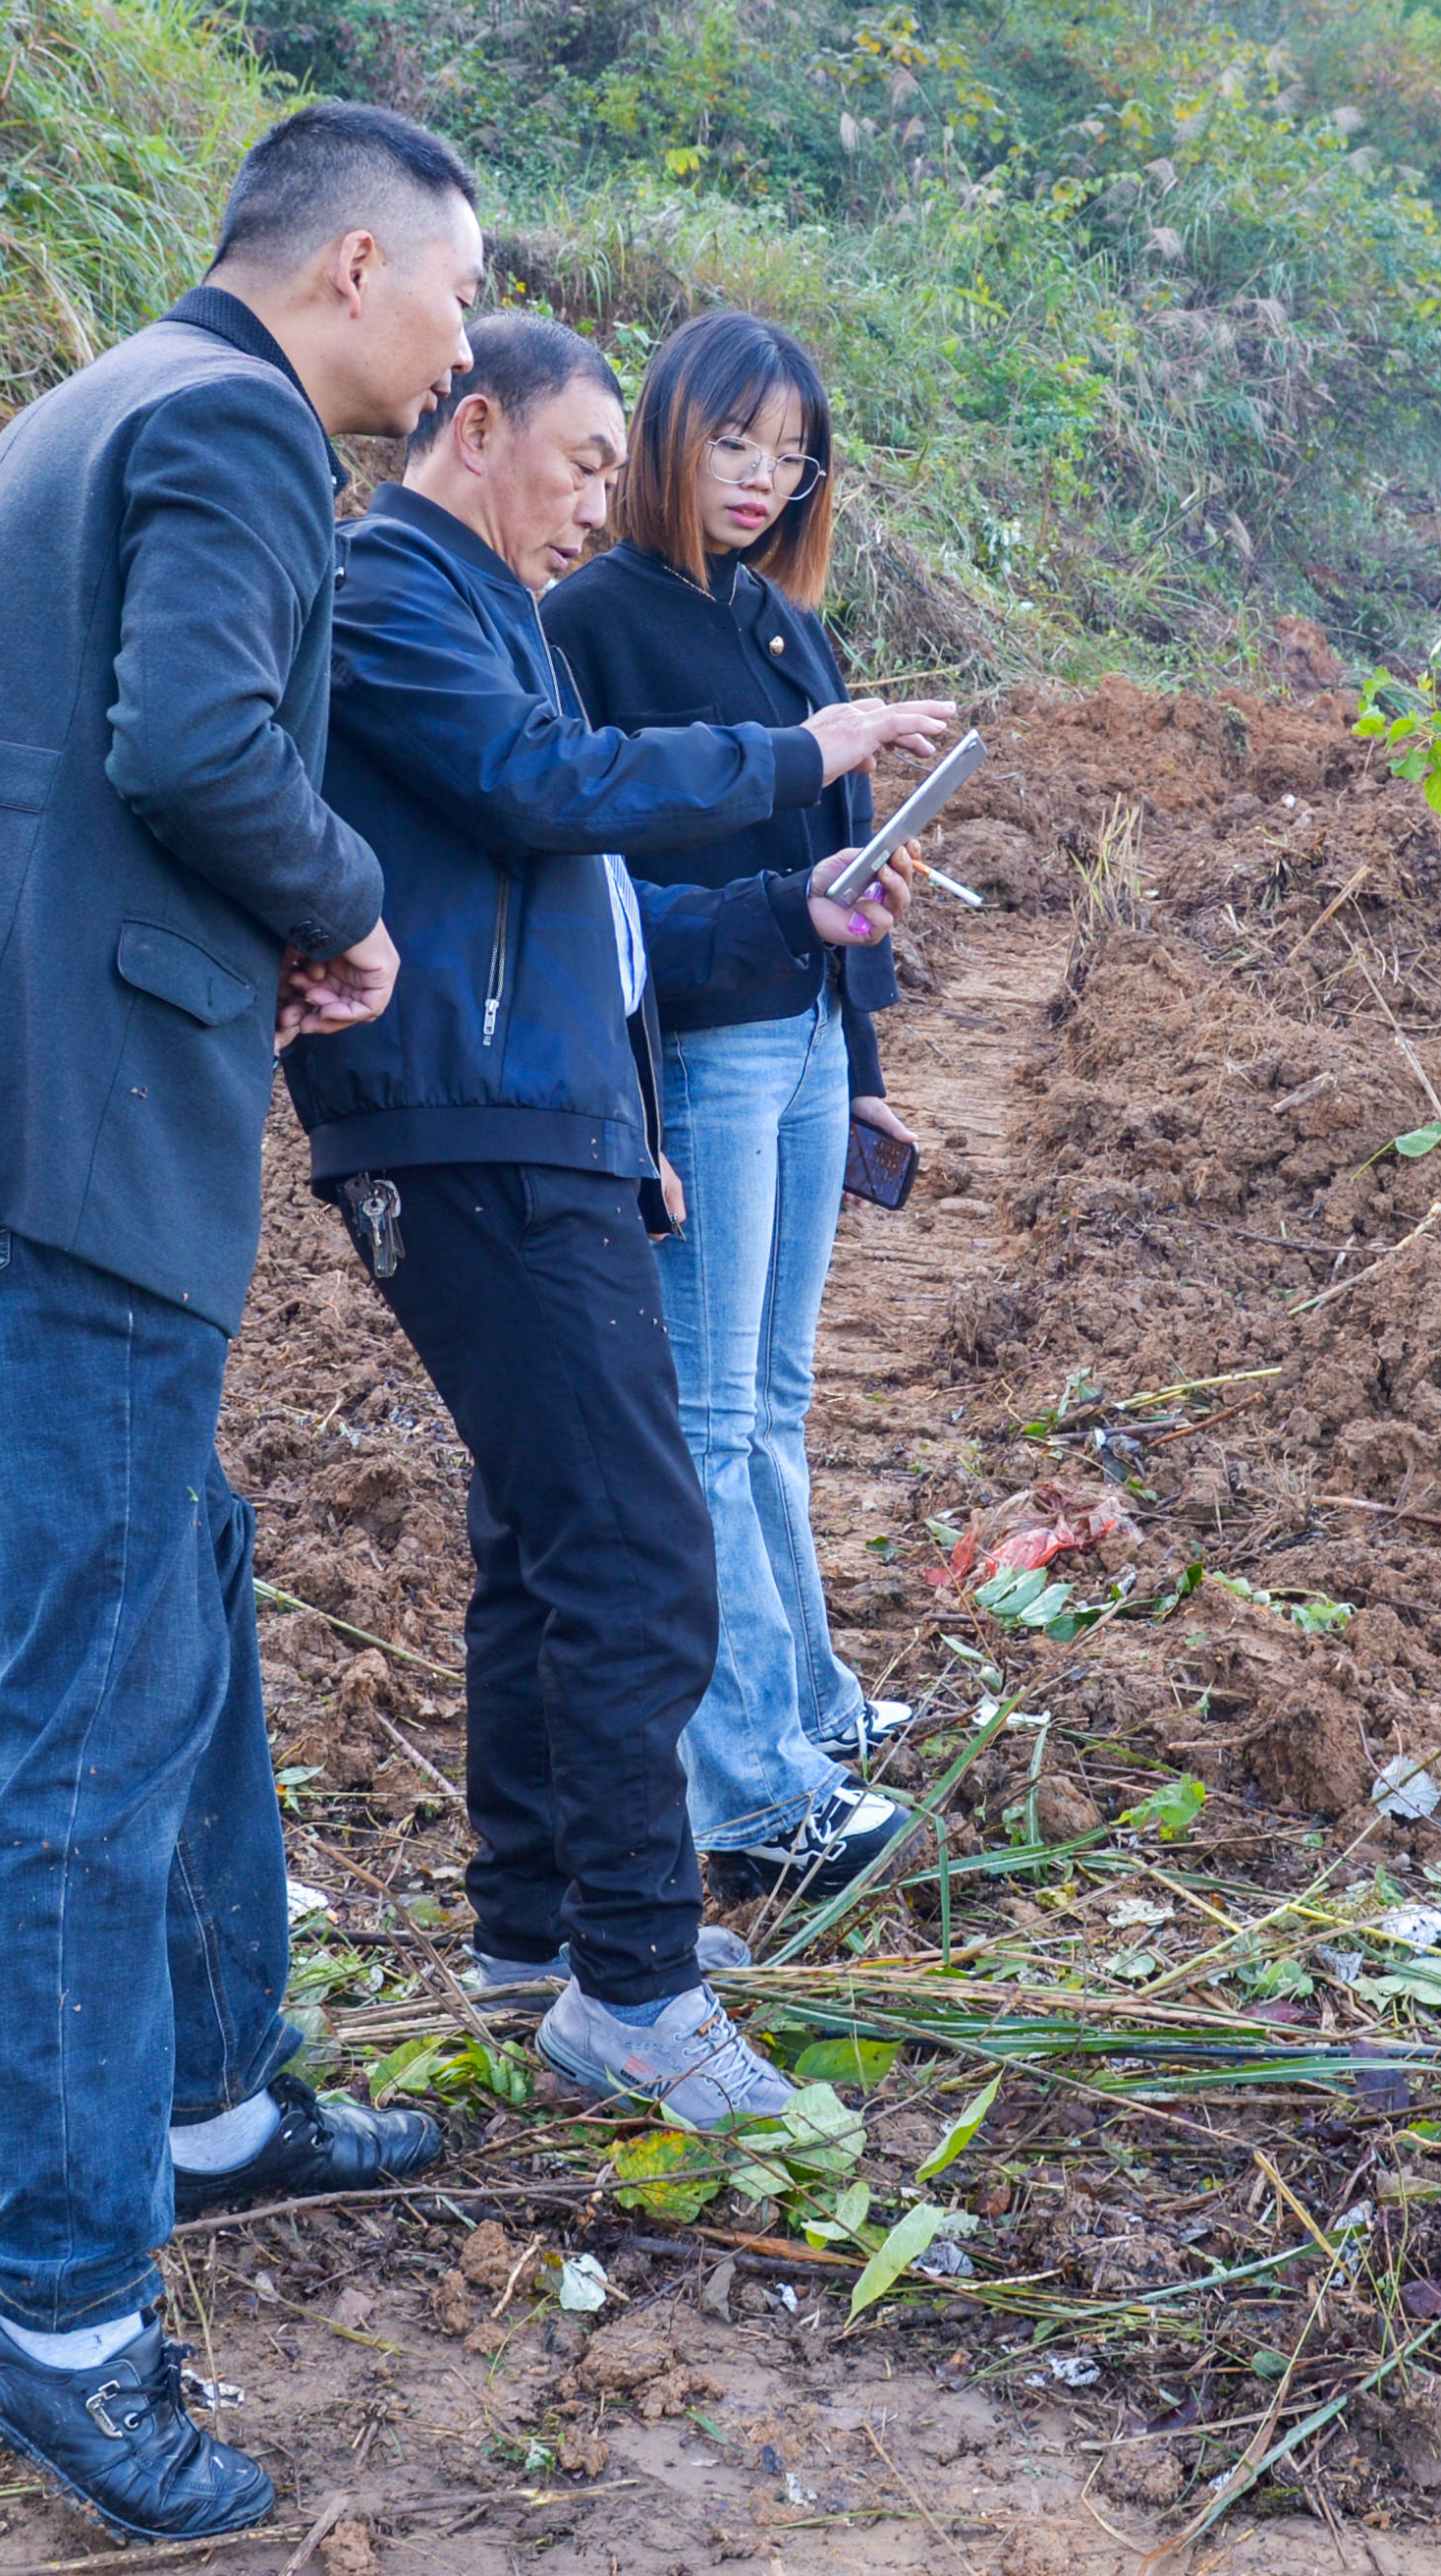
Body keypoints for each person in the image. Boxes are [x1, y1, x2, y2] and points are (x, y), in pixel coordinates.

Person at [0, 103, 474, 2546]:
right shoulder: (237, 422)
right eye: (457, 297)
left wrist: (230, 924)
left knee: (178, 1573)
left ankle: (211, 2091)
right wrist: (346, 907)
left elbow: (84, 767)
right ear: (354, 260)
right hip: (47, 1132)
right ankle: (53, 2310)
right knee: (84, 1696)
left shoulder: (84, 402)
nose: (465, 346)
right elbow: (190, 745)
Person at [282, 314, 950, 2127]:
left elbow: (592, 908)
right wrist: (797, 750)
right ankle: (639, 1992)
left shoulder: (479, 601)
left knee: (544, 1534)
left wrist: (688, 1034)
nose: (597, 503)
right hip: (467, 1117)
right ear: (476, 427)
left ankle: (542, 1938)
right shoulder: (394, 588)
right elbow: (549, 794)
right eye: (584, 464)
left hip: (544, 1110)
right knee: (645, 1541)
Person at [546, 309, 927, 1898]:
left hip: (806, 1039)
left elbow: (835, 869)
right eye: (736, 442)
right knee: (710, 1416)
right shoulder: (594, 620)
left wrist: (873, 1074)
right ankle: (749, 1788)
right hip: (705, 1047)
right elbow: (601, 884)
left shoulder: (786, 625)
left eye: (793, 454)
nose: (766, 478)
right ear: (663, 438)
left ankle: (809, 1712)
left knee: (771, 1399)